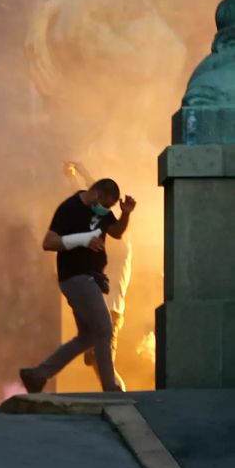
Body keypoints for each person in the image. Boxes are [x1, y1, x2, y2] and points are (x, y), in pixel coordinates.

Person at [20, 178, 136, 393]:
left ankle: (37, 375)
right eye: (105, 205)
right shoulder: (69, 209)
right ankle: (111, 388)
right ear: (95, 194)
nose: (106, 211)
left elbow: (116, 232)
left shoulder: (101, 212)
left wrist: (126, 213)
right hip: (76, 277)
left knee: (88, 337)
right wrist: (82, 240)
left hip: (89, 278)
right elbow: (48, 242)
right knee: (104, 329)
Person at [64, 162, 131, 390]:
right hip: (100, 305)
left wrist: (80, 173)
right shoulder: (108, 238)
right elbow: (93, 202)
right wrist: (78, 175)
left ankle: (119, 396)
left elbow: (96, 203)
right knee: (99, 361)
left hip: (109, 309)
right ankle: (115, 391)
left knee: (103, 362)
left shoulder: (119, 244)